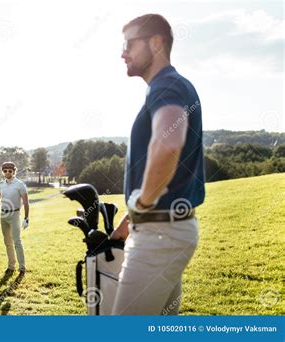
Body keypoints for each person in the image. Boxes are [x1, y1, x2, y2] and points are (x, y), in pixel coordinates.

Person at [110, 14, 204, 315]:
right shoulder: (171, 86)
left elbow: (169, 143)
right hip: (167, 230)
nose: (122, 52)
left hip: (159, 238)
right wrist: (129, 220)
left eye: (129, 43)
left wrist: (142, 204)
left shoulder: (166, 86)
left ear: (156, 42)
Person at [0, 162, 29, 275]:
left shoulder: (20, 184)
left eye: (10, 170)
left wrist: (26, 218)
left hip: (15, 215)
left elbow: (26, 202)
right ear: (2, 172)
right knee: (7, 242)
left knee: (17, 241)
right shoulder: (1, 185)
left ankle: (22, 268)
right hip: (3, 215)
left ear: (14, 171)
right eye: (5, 171)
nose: (7, 173)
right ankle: (11, 266)